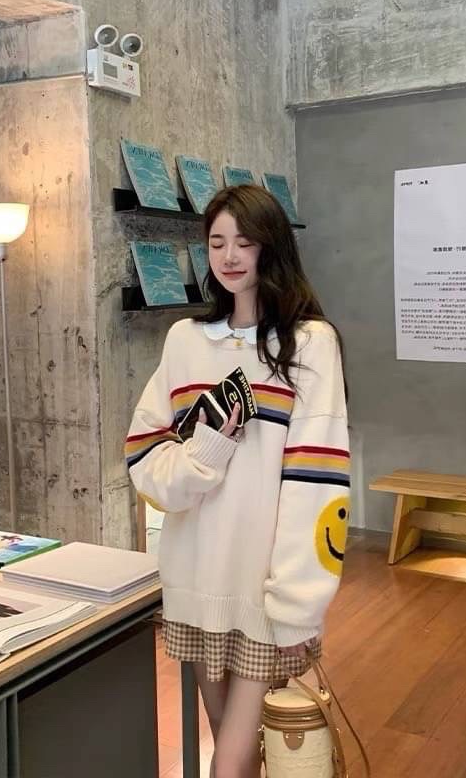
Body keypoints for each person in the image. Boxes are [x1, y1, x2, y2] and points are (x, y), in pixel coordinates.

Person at [126, 184, 351, 778]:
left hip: (263, 589)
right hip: (194, 579)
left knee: (226, 764)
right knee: (235, 748)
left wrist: (298, 602)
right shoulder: (184, 341)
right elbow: (145, 461)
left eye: (244, 242)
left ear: (270, 248)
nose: (229, 256)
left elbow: (317, 482)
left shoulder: (310, 344)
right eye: (217, 242)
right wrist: (208, 451)